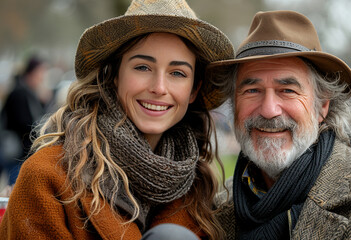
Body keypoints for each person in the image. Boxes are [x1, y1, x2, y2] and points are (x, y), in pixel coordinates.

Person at [0, 0, 234, 239]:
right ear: (114, 76)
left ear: (193, 90)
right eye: (142, 67)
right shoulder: (46, 176)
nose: (159, 87)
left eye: (177, 73)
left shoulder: (199, 188)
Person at [209, 10, 351, 239]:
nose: (269, 110)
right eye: (252, 90)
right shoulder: (215, 210)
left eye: (287, 90)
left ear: (322, 105)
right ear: (234, 106)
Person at [0, 56, 48, 185]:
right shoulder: (21, 93)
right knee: (17, 191)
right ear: (32, 72)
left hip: (20, 153)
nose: (42, 77)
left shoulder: (26, 91)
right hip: (18, 154)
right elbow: (24, 123)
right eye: (41, 72)